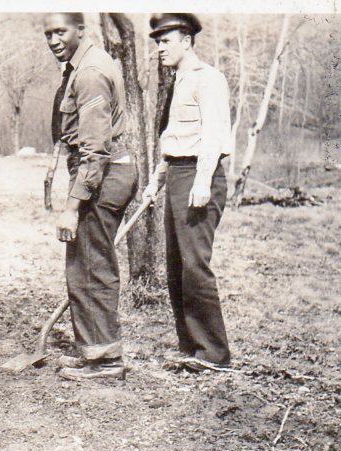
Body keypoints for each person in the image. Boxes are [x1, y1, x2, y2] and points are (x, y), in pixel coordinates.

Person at [45, 13, 138, 380]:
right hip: (102, 172)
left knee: (91, 266)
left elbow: (95, 151)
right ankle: (93, 351)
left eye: (61, 31)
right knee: (85, 262)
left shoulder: (89, 72)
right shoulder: (83, 64)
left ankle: (105, 360)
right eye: (48, 33)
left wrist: (71, 207)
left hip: (102, 175)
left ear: (80, 30)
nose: (53, 39)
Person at [141, 13, 233, 371]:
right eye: (157, 41)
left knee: (195, 266)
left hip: (199, 176)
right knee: (177, 266)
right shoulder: (176, 81)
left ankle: (214, 354)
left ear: (187, 40)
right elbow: (173, 142)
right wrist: (155, 183)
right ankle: (191, 348)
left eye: (165, 40)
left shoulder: (208, 79)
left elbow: (212, 135)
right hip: (178, 174)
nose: (159, 48)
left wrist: (202, 181)